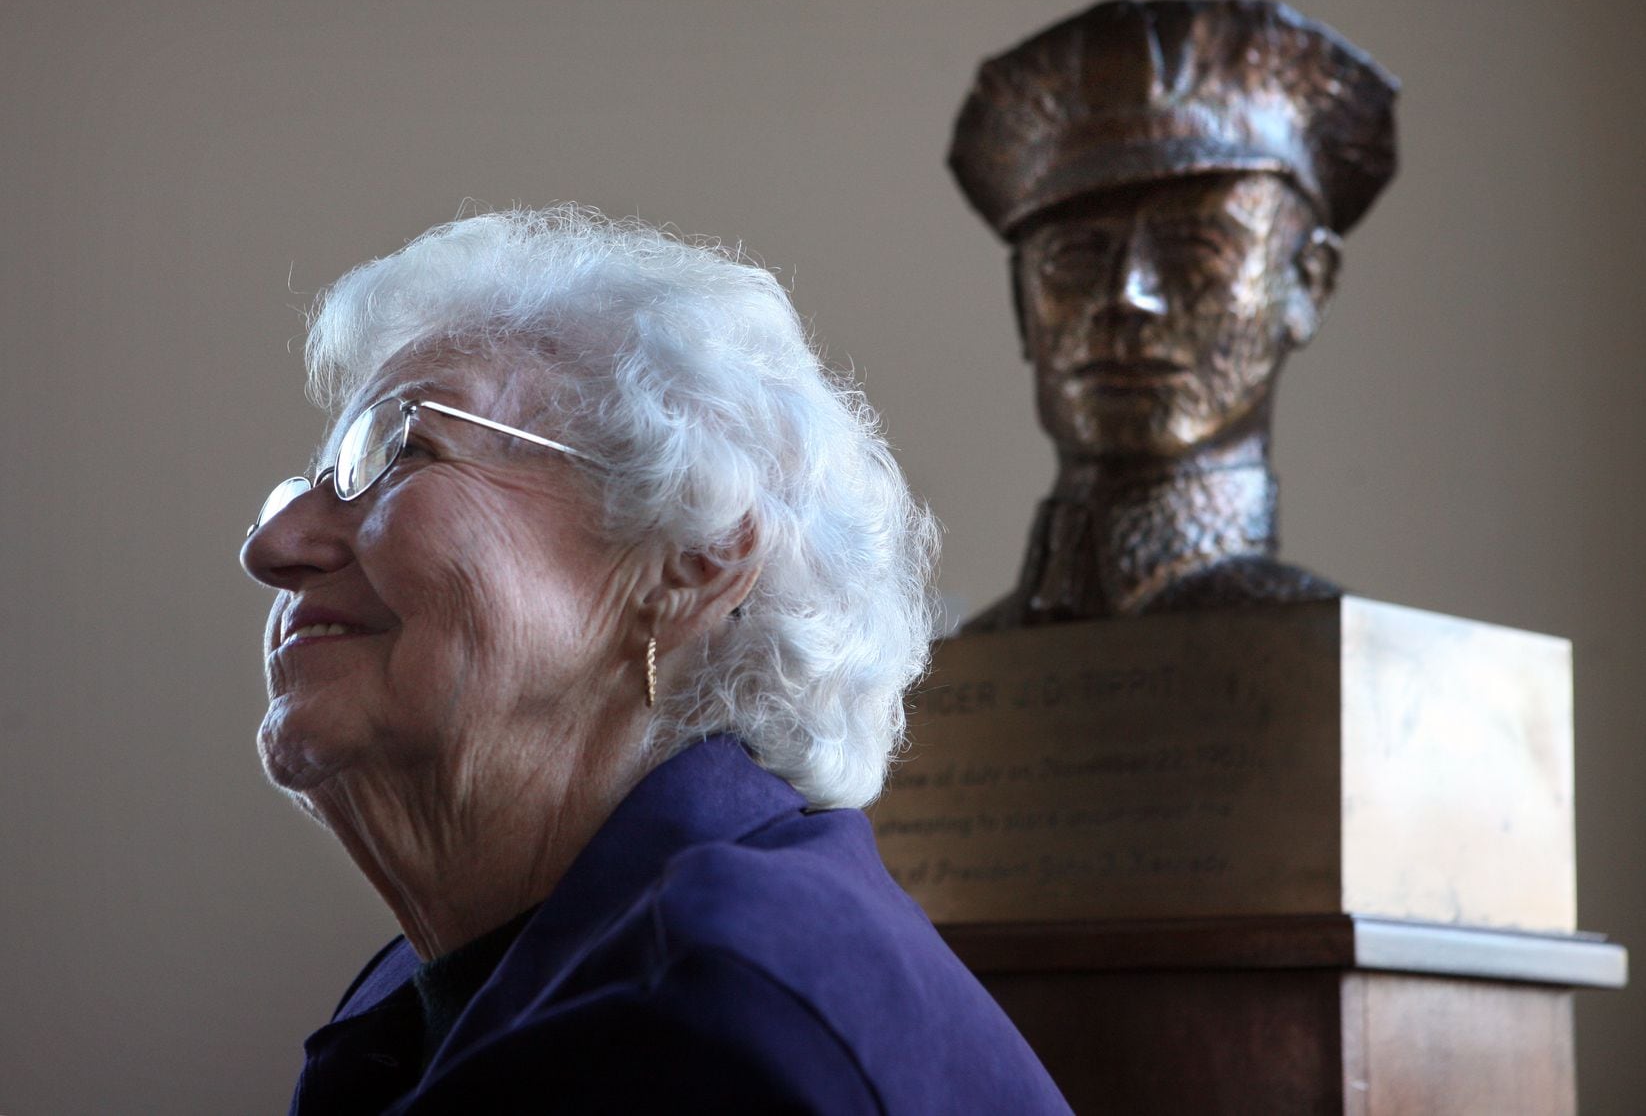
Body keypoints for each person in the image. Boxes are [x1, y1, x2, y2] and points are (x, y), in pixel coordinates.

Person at [239, 205, 1069, 1114]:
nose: (275, 544)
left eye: (397, 453)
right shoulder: (433, 990)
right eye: (308, 486)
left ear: (688, 562)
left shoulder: (721, 1011)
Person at [947, 0, 1398, 629]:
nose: (1128, 294)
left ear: (1306, 286)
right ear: (1022, 305)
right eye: (1075, 258)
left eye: (1196, 250)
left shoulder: (1368, 662)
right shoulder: (948, 677)